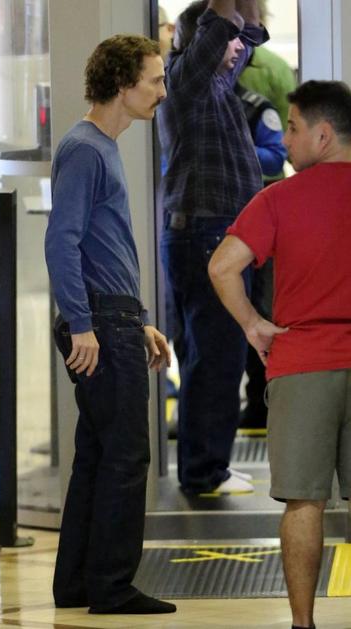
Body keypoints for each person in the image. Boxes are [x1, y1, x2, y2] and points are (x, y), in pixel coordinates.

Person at [208, 79, 351, 629]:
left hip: (302, 363)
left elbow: (222, 266)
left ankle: (302, 624)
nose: (285, 140)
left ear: (323, 134)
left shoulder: (277, 199)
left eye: (292, 129)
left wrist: (253, 325)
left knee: (303, 503)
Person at [44, 35, 176, 615]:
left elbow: (106, 247)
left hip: (112, 317)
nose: (163, 91)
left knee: (98, 456)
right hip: (99, 320)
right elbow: (62, 241)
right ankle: (112, 587)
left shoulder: (99, 147)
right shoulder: (85, 149)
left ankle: (78, 583)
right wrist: (84, 324)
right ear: (123, 85)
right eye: (155, 80)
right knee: (125, 458)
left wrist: (138, 320)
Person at [157, 0, 268, 495]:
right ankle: (204, 471)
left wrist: (241, 20)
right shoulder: (187, 80)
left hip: (211, 234)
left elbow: (249, 29)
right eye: (228, 38)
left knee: (211, 356)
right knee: (216, 358)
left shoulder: (217, 81)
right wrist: (221, 18)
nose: (239, 47)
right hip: (206, 236)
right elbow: (220, 23)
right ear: (201, 41)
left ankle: (208, 464)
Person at [238, 0, 296, 428]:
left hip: (263, 202)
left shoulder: (271, 71)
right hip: (242, 206)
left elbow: (285, 144)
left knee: (262, 305)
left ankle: (260, 401)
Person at [235, 80, 287, 428]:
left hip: (259, 227)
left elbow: (275, 157)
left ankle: (259, 403)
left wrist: (236, 151)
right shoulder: (192, 104)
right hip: (223, 226)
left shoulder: (254, 107)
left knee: (262, 310)